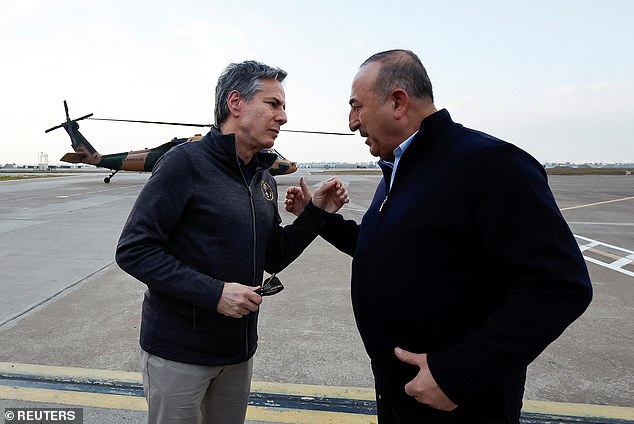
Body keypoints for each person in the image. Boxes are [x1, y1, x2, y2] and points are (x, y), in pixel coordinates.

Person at [285, 49, 593, 423]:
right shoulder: (401, 169)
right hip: (401, 395)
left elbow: (561, 286)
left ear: (398, 102)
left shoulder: (490, 164)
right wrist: (318, 219)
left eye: (357, 106)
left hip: (458, 403)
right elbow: (389, 249)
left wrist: (459, 373)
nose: (352, 122)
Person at [115, 60, 348, 424]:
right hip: (179, 353)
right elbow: (134, 250)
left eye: (283, 107)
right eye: (273, 104)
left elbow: (275, 255)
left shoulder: (263, 178)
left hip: (237, 353)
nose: (283, 117)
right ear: (235, 103)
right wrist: (215, 294)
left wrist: (316, 213)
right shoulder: (184, 164)